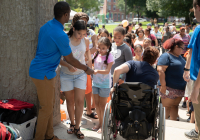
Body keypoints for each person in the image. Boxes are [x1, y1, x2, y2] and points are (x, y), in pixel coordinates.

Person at [29, 2, 93, 140]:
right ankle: (39, 137)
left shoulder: (46, 26)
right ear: (65, 15)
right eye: (68, 14)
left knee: (49, 106)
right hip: (43, 74)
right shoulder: (61, 35)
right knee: (45, 109)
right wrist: (87, 68)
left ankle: (49, 135)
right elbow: (71, 59)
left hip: (43, 72)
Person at [60, 20, 92, 139]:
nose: (81, 37)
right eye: (79, 34)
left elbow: (88, 57)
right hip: (66, 74)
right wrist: (68, 65)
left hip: (80, 74)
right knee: (70, 101)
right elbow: (58, 58)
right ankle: (72, 124)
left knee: (79, 101)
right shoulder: (65, 40)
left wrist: (90, 68)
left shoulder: (85, 40)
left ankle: (78, 127)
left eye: (84, 34)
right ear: (73, 29)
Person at [71, 12, 98, 121]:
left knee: (88, 88)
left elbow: (96, 47)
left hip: (87, 62)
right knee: (74, 89)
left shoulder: (91, 32)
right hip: (75, 63)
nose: (85, 23)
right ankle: (73, 112)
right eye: (82, 20)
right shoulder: (73, 32)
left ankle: (89, 110)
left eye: (86, 21)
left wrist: (86, 55)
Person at [157, 38, 186, 121]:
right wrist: (163, 85)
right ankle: (163, 128)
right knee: (166, 108)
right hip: (168, 88)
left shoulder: (180, 57)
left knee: (175, 106)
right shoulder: (166, 56)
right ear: (176, 47)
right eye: (182, 48)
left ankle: (173, 125)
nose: (183, 50)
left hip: (179, 88)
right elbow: (160, 70)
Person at [183, 0, 200, 139]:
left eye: (193, 9)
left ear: (198, 8)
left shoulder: (199, 30)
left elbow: (192, 52)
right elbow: (191, 51)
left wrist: (196, 89)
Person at [91, 37, 114, 133]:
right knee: (97, 104)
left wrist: (96, 71)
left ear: (108, 47)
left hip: (105, 84)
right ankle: (100, 123)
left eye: (103, 48)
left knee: (102, 105)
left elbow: (107, 71)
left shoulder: (110, 56)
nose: (101, 50)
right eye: (99, 47)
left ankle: (103, 125)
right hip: (95, 83)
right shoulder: (96, 54)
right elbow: (90, 63)